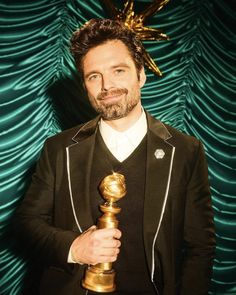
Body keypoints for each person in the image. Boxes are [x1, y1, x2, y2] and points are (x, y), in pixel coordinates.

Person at [14, 19, 215, 295]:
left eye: (118, 70)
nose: (106, 85)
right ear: (85, 86)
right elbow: (26, 225)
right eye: (93, 76)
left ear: (141, 74)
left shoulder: (186, 151)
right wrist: (74, 248)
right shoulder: (58, 148)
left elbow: (200, 247)